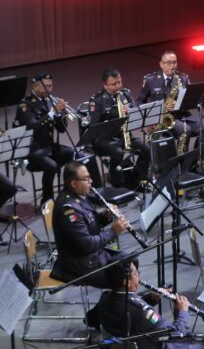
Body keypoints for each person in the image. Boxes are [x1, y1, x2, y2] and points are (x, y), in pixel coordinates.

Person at [15, 73, 94, 204]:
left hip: (49, 147)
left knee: (80, 156)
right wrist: (52, 112)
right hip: (32, 151)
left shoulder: (50, 100)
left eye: (51, 85)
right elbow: (33, 128)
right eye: (46, 86)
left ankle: (80, 192)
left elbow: (61, 129)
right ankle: (47, 201)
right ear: (35, 86)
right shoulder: (25, 105)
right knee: (52, 166)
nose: (50, 89)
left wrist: (61, 115)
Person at [51, 161, 127, 288]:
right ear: (74, 183)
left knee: (130, 260)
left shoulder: (79, 196)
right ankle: (117, 304)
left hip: (91, 257)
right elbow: (87, 244)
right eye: (86, 179)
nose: (91, 181)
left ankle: (126, 302)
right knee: (123, 275)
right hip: (79, 267)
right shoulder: (68, 209)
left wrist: (105, 216)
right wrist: (113, 231)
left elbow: (89, 224)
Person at [139, 50, 204, 160]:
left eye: (174, 62)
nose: (172, 66)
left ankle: (197, 161)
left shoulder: (183, 78)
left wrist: (178, 104)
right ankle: (181, 162)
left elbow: (191, 101)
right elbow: (140, 102)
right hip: (162, 118)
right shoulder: (150, 80)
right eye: (168, 63)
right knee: (185, 129)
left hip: (182, 115)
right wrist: (149, 120)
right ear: (161, 64)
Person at [88, 68, 151, 188]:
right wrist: (115, 112)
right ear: (105, 85)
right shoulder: (97, 100)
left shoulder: (126, 93)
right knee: (118, 152)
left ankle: (137, 181)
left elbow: (136, 111)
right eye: (114, 84)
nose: (118, 86)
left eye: (119, 82)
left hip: (125, 136)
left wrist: (131, 111)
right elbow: (94, 126)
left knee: (146, 149)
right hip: (106, 139)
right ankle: (117, 184)